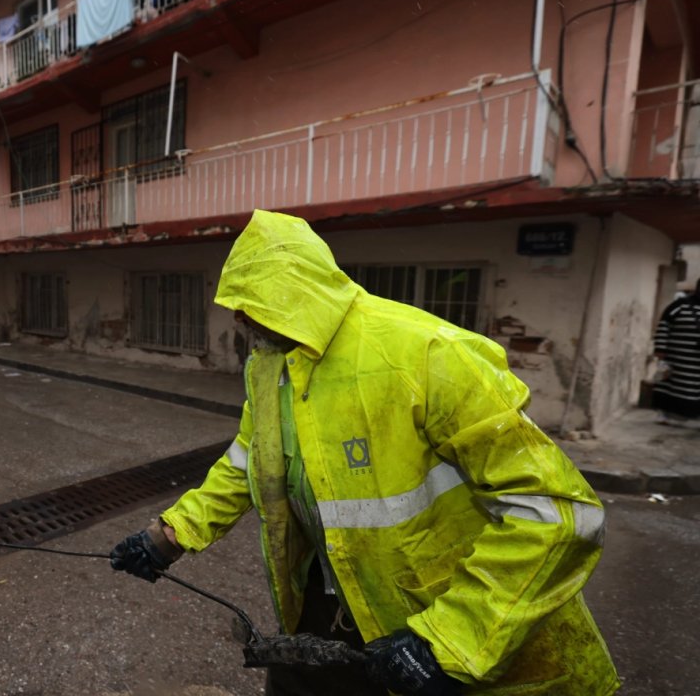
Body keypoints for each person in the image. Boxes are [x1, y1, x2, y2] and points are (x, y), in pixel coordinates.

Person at [109, 211, 618, 695]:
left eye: (253, 304)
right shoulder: (270, 365)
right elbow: (249, 460)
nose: (241, 318)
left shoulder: (426, 354)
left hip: (441, 618)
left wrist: (450, 639)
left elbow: (559, 514)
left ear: (299, 297)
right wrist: (170, 536)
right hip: (330, 603)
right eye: (236, 305)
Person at [651, 283, 700, 424]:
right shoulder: (680, 305)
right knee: (670, 385)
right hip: (678, 358)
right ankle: (667, 414)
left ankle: (692, 414)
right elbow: (664, 325)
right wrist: (660, 349)